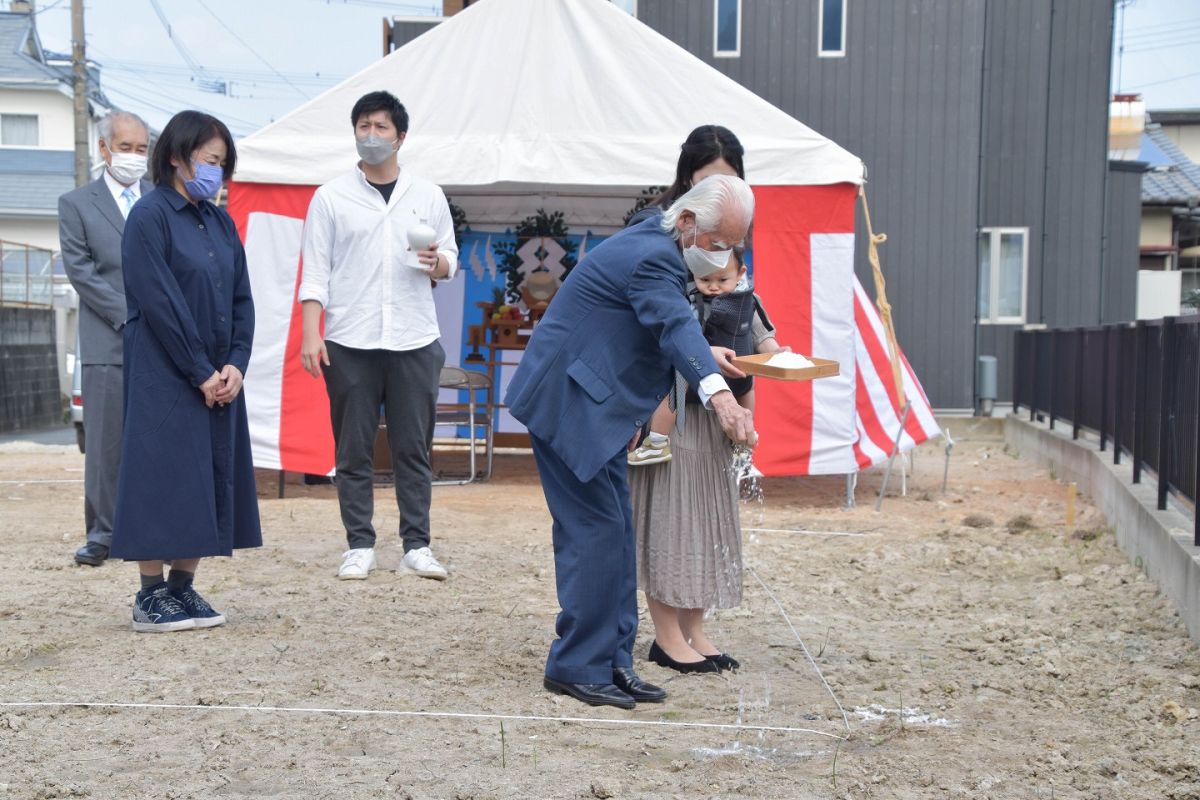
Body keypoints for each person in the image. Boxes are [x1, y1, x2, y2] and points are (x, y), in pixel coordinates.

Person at [506, 174, 759, 709]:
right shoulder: (654, 256)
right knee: (594, 532)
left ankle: (614, 661)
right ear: (687, 222)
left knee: (617, 531)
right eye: (719, 244)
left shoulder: (659, 239)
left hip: (595, 401)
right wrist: (721, 397)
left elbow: (659, 324)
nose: (725, 256)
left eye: (734, 245)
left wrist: (703, 358)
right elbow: (671, 324)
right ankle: (576, 664)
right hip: (569, 402)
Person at [629, 125, 782, 674]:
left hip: (723, 406)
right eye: (709, 182)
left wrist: (764, 362)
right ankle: (667, 635)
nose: (722, 199)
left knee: (708, 518)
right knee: (669, 517)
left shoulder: (735, 234)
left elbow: (755, 318)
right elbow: (653, 322)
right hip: (675, 399)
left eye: (731, 182)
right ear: (687, 183)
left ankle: (696, 628)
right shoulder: (656, 232)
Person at [299, 90, 459, 582]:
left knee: (414, 446)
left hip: (414, 337)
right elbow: (315, 271)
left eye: (381, 128)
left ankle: (417, 545)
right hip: (350, 338)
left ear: (401, 137)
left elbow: (449, 259)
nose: (371, 136)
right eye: (363, 126)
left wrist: (439, 262)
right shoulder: (330, 196)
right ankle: (359, 544)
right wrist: (311, 332)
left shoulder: (428, 195)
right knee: (353, 448)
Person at [111, 110, 261, 632]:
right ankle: (150, 594)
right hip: (165, 368)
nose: (217, 170)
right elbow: (160, 302)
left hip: (218, 374)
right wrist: (201, 370)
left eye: (223, 162)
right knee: (161, 474)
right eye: (209, 159)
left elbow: (242, 298)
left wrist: (235, 364)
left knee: (210, 474)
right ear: (177, 156)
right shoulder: (149, 216)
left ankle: (183, 587)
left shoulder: (221, 221)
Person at [58, 110, 152, 566]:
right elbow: (82, 273)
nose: (134, 157)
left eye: (141, 149)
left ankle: (152, 528)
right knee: (104, 444)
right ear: (104, 148)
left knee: (156, 439)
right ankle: (102, 533)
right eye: (126, 147)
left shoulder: (161, 199)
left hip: (162, 343)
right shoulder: (76, 204)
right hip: (107, 341)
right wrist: (130, 315)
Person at [627, 246, 782, 466]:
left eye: (722, 279)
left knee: (747, 388)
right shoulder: (689, 300)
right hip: (698, 375)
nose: (713, 287)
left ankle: (743, 440)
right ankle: (658, 441)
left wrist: (776, 353)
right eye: (705, 279)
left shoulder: (750, 301)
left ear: (741, 273)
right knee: (678, 382)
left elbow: (762, 333)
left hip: (735, 373)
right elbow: (681, 334)